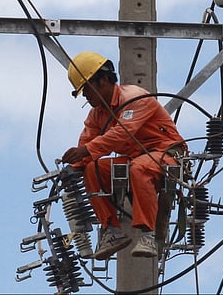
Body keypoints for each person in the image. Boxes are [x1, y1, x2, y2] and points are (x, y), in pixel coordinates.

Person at [61, 51, 185, 260]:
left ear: (103, 80)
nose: (85, 96)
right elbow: (87, 145)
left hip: (166, 153)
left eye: (87, 89)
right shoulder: (97, 114)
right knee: (93, 169)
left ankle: (148, 235)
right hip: (136, 157)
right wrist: (74, 167)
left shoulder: (134, 98)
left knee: (139, 168)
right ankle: (112, 231)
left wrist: (85, 152)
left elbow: (119, 135)